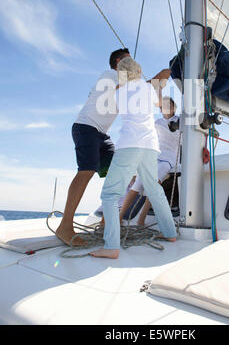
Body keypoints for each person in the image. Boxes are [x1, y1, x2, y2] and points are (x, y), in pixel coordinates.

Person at [55, 49, 170, 246]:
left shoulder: (125, 83)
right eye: (129, 59)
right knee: (86, 171)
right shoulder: (110, 75)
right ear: (119, 62)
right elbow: (144, 88)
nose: (133, 62)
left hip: (101, 133)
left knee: (125, 174)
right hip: (86, 127)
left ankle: (105, 222)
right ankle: (64, 226)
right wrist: (166, 72)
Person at [89, 57, 177, 259]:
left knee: (110, 195)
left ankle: (111, 247)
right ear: (139, 71)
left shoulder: (118, 92)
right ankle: (170, 233)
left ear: (121, 75)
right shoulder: (148, 88)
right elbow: (158, 103)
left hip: (129, 144)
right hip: (151, 146)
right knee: (154, 190)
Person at [119, 96, 180, 226]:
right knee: (137, 185)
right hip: (154, 157)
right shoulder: (156, 123)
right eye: (163, 106)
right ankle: (119, 218)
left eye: (169, 105)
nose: (166, 108)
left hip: (168, 159)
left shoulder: (180, 121)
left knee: (153, 184)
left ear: (174, 107)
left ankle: (141, 219)